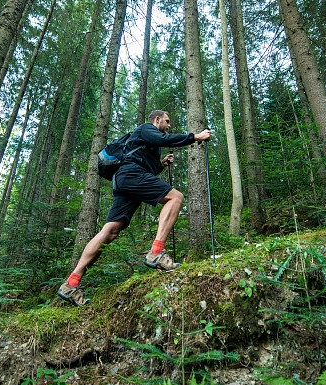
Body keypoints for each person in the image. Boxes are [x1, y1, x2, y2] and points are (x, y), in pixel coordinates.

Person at [57, 110, 212, 306]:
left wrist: (161, 165)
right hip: (130, 176)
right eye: (167, 121)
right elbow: (165, 140)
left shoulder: (146, 143)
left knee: (111, 231)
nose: (169, 125)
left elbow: (145, 166)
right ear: (157, 120)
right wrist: (195, 136)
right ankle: (156, 253)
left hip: (126, 179)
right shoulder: (146, 129)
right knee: (176, 198)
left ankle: (71, 283)